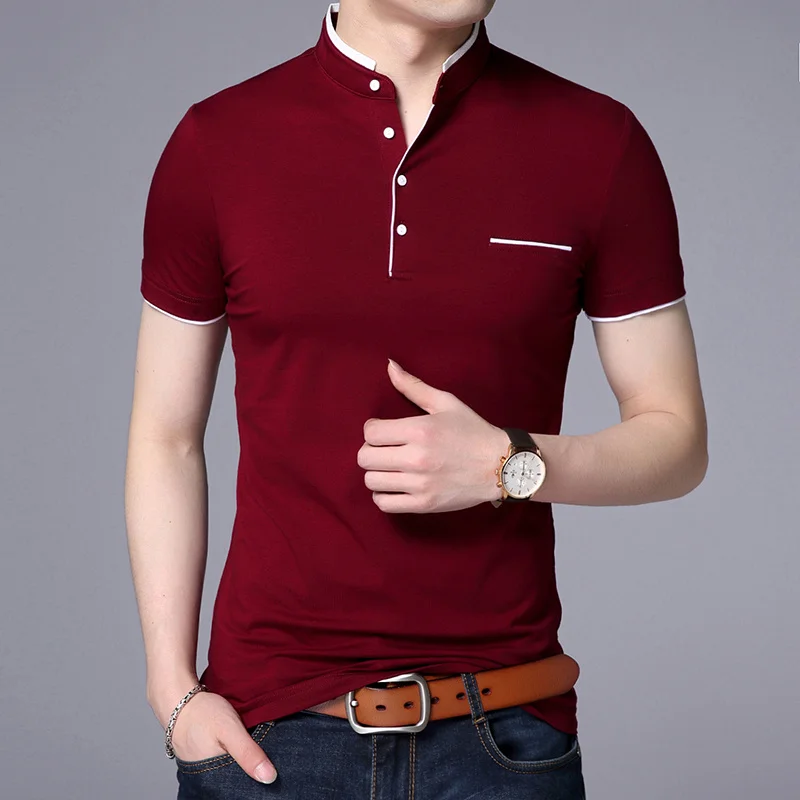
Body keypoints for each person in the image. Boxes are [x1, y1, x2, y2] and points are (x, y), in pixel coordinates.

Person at [124, 1, 708, 797]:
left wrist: (511, 464)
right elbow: (165, 435)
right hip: (270, 738)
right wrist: (171, 689)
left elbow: (677, 438)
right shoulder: (217, 142)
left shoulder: (597, 141)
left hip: (505, 736)